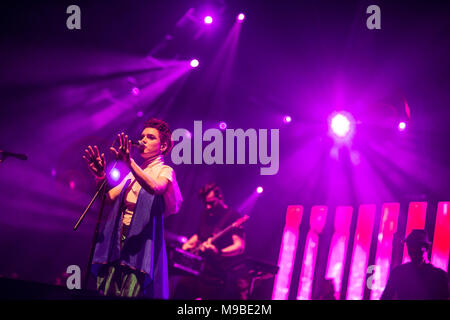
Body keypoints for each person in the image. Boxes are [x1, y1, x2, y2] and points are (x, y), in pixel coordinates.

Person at [83, 118, 183, 299]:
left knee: (131, 291)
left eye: (150, 137)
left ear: (163, 146)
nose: (143, 140)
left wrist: (129, 162)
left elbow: (155, 188)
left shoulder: (165, 170)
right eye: (143, 136)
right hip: (118, 241)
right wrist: (99, 176)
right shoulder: (133, 173)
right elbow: (108, 198)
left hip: (141, 245)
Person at [173, 183, 246, 299]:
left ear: (220, 197)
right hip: (196, 269)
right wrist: (187, 245)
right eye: (205, 203)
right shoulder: (206, 214)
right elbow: (199, 235)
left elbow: (239, 246)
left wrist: (219, 252)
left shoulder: (232, 216)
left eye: (211, 203)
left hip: (215, 275)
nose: (208, 207)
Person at [381, 229, 449, 300]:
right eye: (410, 247)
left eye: (414, 247)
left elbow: (386, 296)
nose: (412, 251)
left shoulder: (398, 272)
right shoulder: (440, 276)